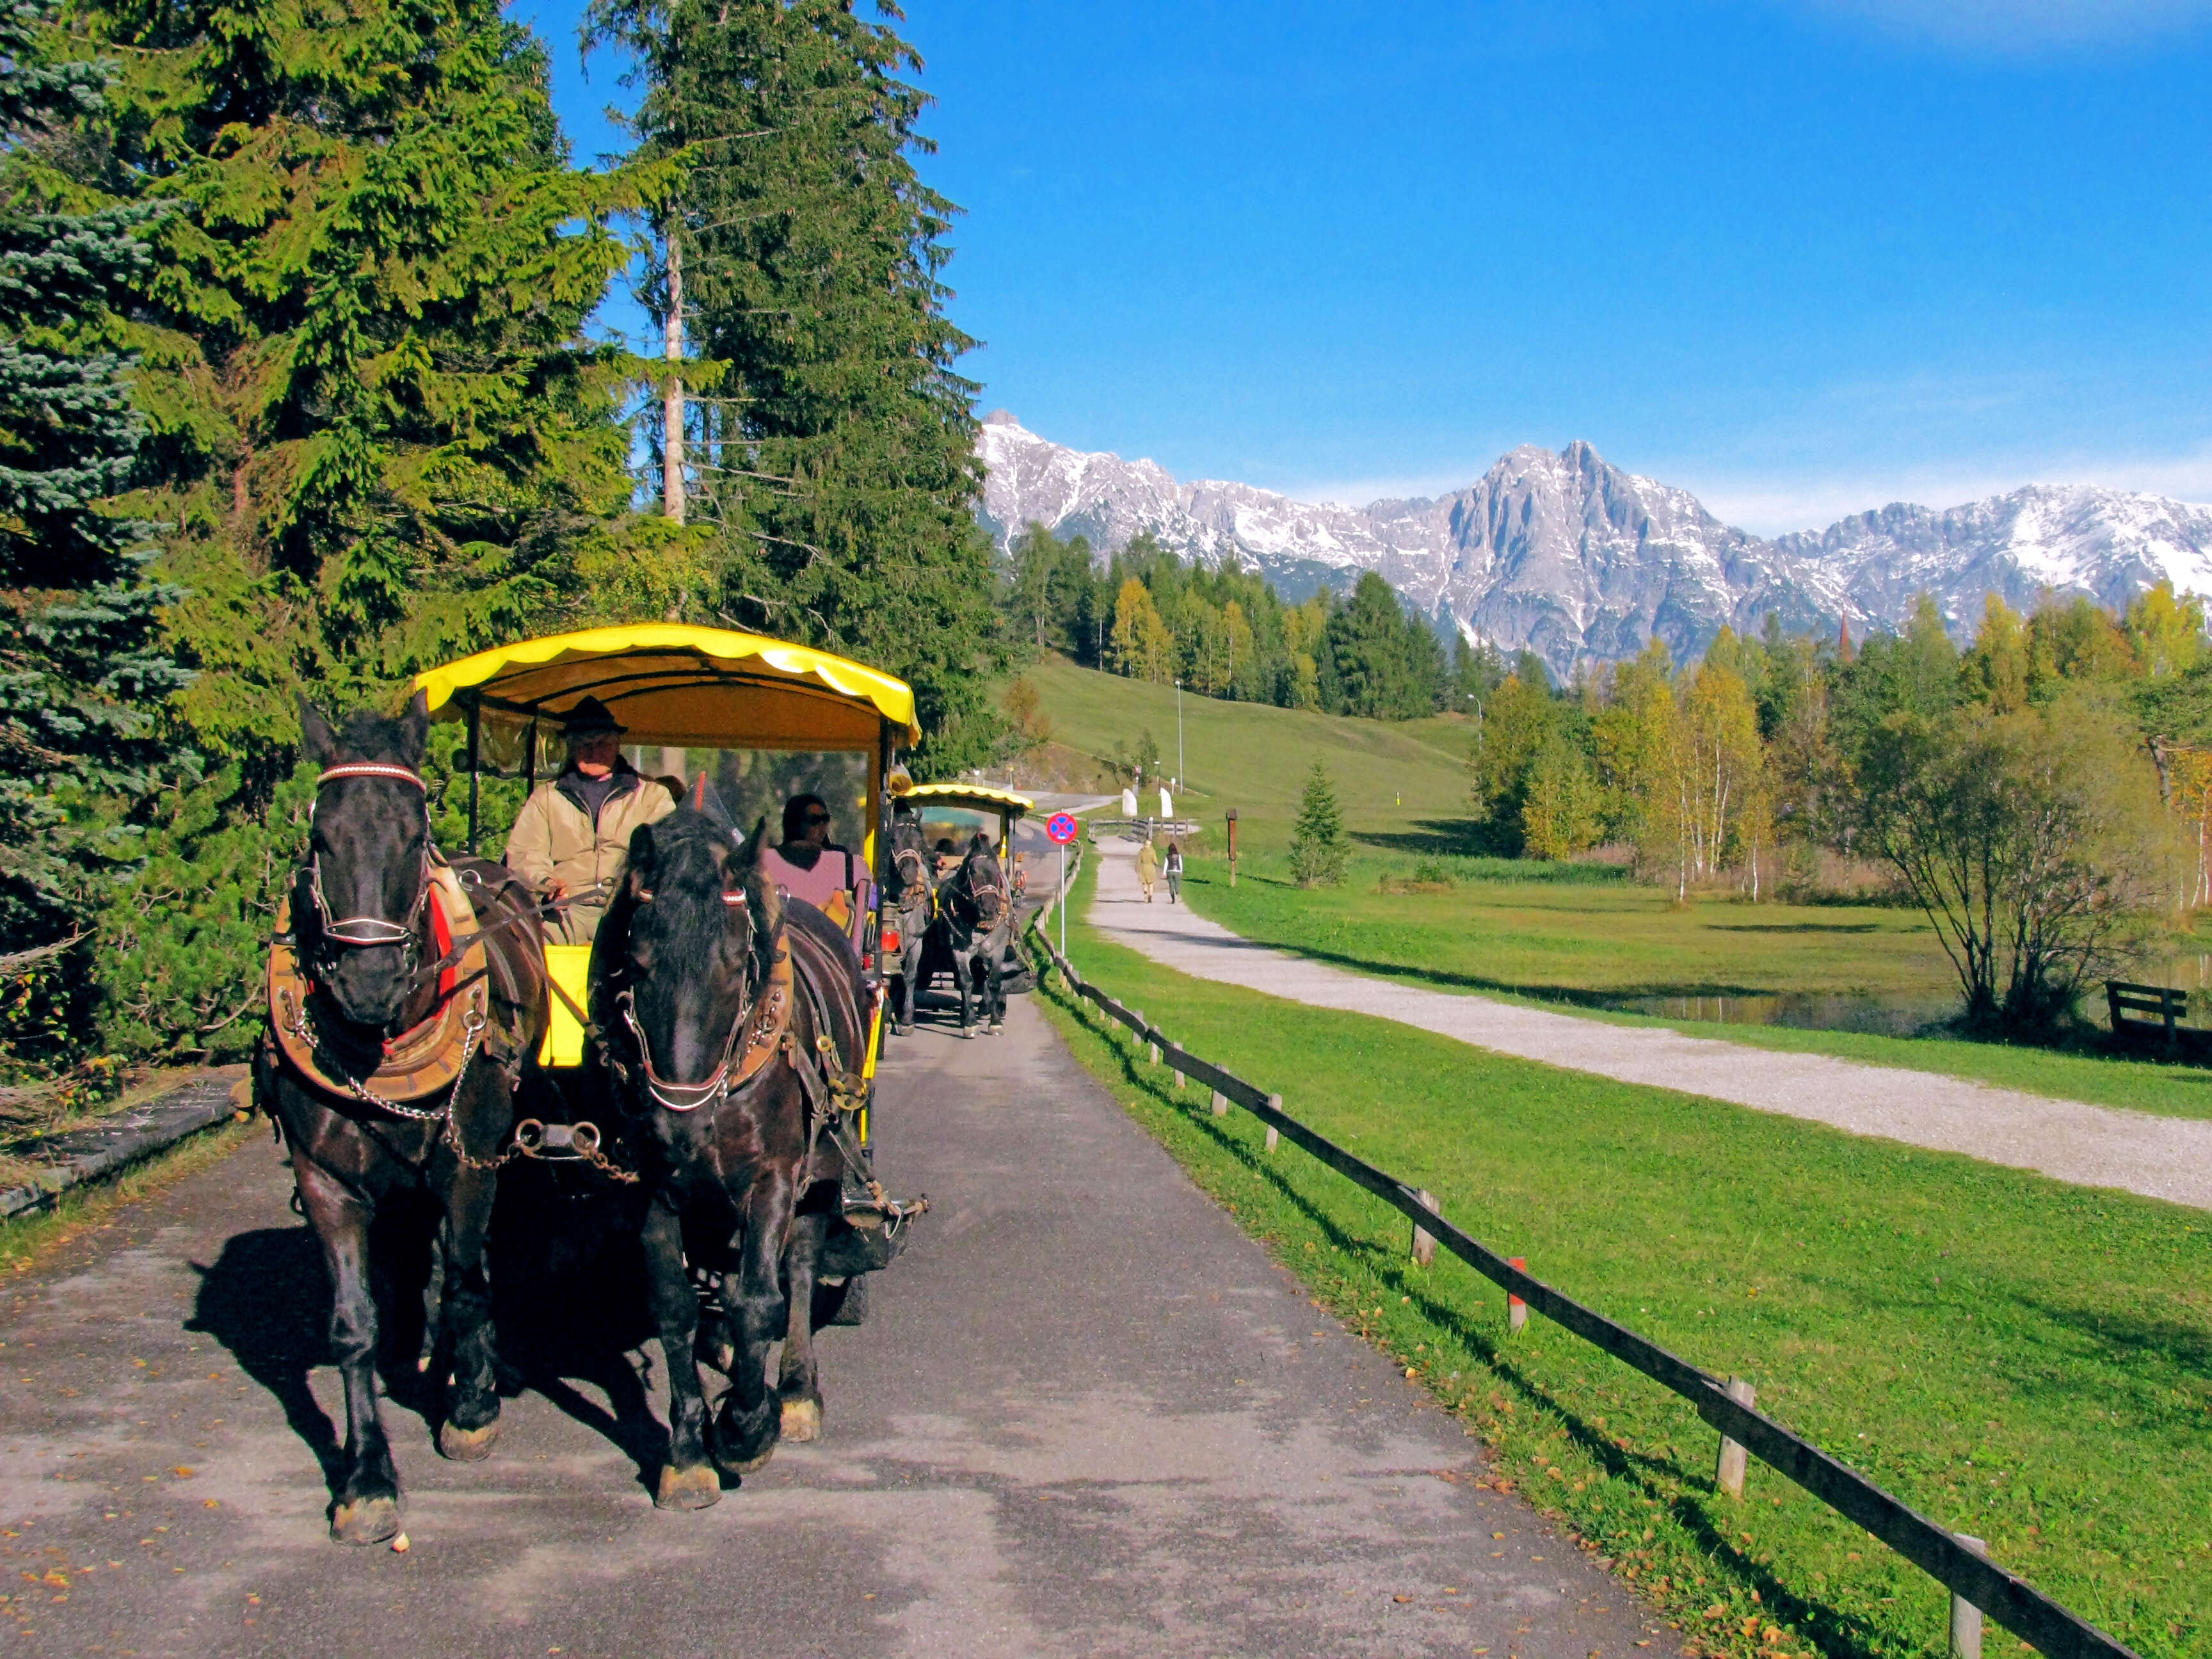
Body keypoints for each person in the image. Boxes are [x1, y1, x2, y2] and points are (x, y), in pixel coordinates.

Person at [504, 696, 675, 943]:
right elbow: (525, 854)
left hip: (629, 908)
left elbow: (669, 855)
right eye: (585, 744)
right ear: (571, 748)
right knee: (527, 945)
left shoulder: (652, 797)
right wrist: (547, 884)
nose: (594, 751)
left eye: (602, 742)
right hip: (564, 912)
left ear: (617, 744)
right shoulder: (547, 798)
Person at [760, 792, 871, 946]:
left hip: (832, 946)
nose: (822, 826)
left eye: (825, 819)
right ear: (795, 824)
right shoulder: (762, 860)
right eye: (814, 820)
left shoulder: (845, 863)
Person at [1137, 835, 1159, 903]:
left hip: (1144, 868)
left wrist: (1137, 868)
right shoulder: (1153, 851)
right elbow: (1155, 861)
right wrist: (1157, 863)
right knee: (1151, 884)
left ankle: (1145, 893)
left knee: (1145, 884)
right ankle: (1150, 897)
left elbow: (1139, 861)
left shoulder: (1141, 851)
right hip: (1151, 868)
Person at [1164, 839, 1183, 904]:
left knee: (1171, 885)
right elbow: (1180, 863)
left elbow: (1166, 864)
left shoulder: (1168, 856)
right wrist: (1181, 871)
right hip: (1177, 871)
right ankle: (1177, 894)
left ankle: (1173, 899)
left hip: (1169, 871)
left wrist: (1164, 873)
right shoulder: (1179, 855)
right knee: (1177, 884)